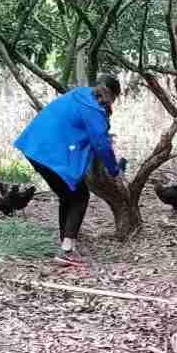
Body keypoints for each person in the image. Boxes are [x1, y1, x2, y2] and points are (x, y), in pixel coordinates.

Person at [13, 76, 123, 264]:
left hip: (33, 146)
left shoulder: (79, 93)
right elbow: (101, 144)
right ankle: (67, 250)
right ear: (111, 96)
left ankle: (65, 243)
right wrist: (115, 170)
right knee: (80, 196)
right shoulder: (95, 109)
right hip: (49, 153)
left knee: (68, 194)